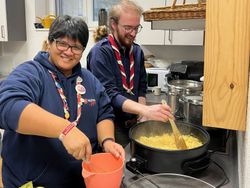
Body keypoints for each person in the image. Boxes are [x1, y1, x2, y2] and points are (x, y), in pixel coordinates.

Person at [0, 15, 124, 188]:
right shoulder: (31, 72)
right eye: (62, 43)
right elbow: (7, 106)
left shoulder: (89, 79)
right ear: (50, 42)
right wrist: (65, 130)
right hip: (34, 182)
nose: (68, 51)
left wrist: (107, 141)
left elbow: (104, 113)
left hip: (81, 180)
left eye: (76, 47)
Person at [87, 0, 173, 147]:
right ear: (113, 24)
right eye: (127, 28)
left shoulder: (137, 51)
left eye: (136, 28)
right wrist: (145, 110)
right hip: (110, 126)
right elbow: (110, 95)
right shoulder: (100, 53)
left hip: (134, 122)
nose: (133, 33)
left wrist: (143, 115)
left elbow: (141, 86)